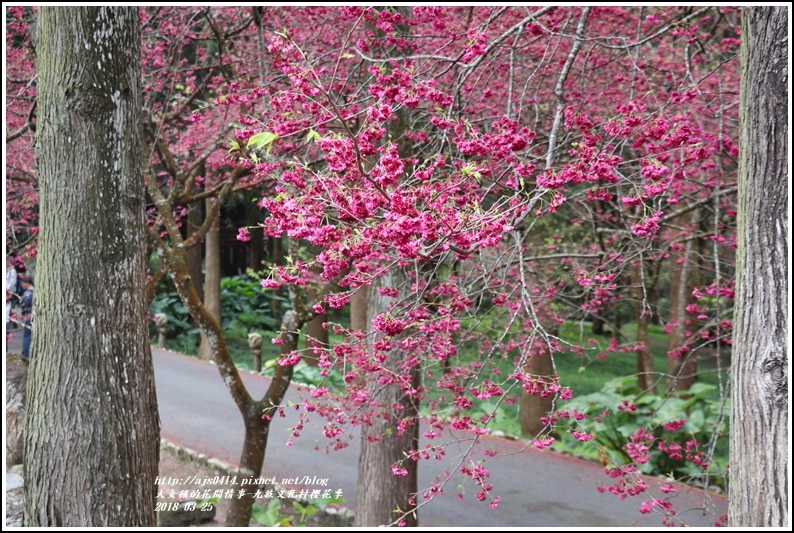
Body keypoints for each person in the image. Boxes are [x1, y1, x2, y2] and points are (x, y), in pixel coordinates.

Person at [18, 274, 34, 357]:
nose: (21, 285)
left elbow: (25, 306)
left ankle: (25, 354)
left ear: (27, 283)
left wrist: (22, 316)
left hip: (29, 316)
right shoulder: (34, 291)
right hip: (33, 316)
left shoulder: (28, 293)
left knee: (27, 335)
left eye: (22, 283)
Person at [6, 256, 18, 329]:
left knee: (12, 306)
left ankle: (14, 321)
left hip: (11, 292)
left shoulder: (12, 271)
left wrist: (8, 290)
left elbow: (13, 282)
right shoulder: (6, 271)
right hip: (6, 291)